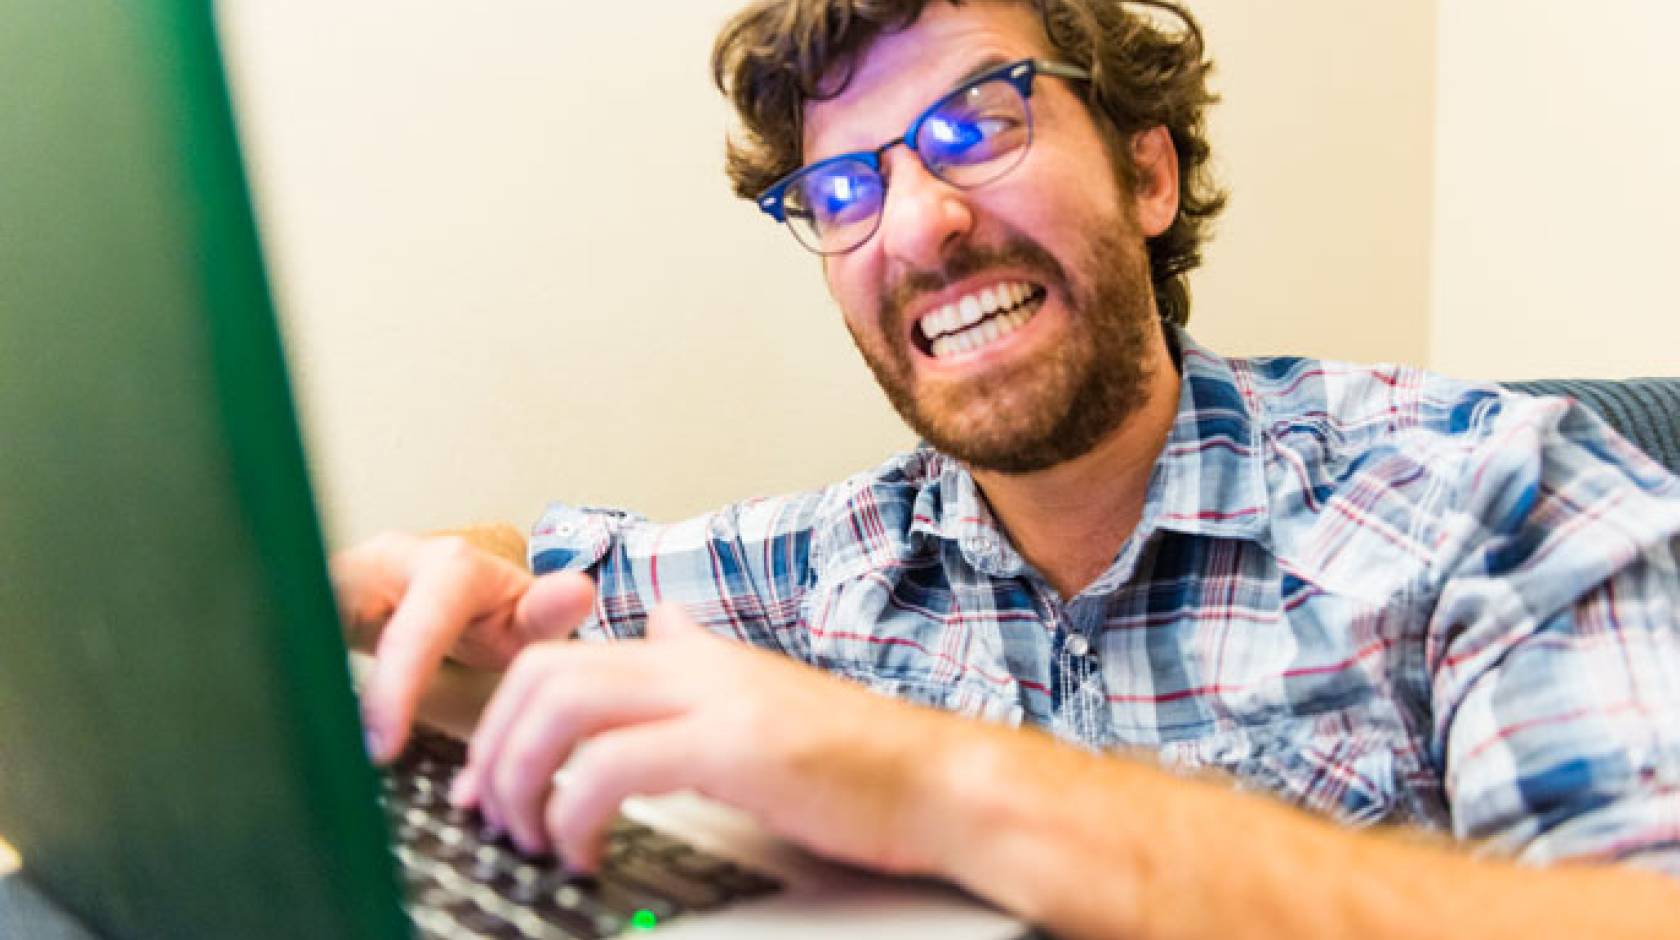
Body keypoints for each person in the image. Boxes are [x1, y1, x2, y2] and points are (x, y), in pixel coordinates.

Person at [332, 1, 1680, 936]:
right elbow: (538, 579)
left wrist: (941, 784)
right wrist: (447, 576)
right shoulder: (839, 561)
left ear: (1147, 174)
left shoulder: (1501, 499)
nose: (919, 223)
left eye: (981, 124)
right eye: (845, 192)